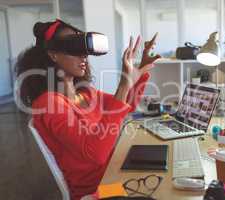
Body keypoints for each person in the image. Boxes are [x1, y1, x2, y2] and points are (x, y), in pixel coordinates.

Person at [15, 19, 160, 200]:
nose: (83, 56)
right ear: (53, 55)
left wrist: (140, 71)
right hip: (96, 191)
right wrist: (124, 84)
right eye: (74, 49)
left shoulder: (86, 94)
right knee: (163, 191)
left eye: (84, 51)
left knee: (165, 179)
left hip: (113, 174)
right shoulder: (48, 104)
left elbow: (126, 105)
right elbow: (96, 154)